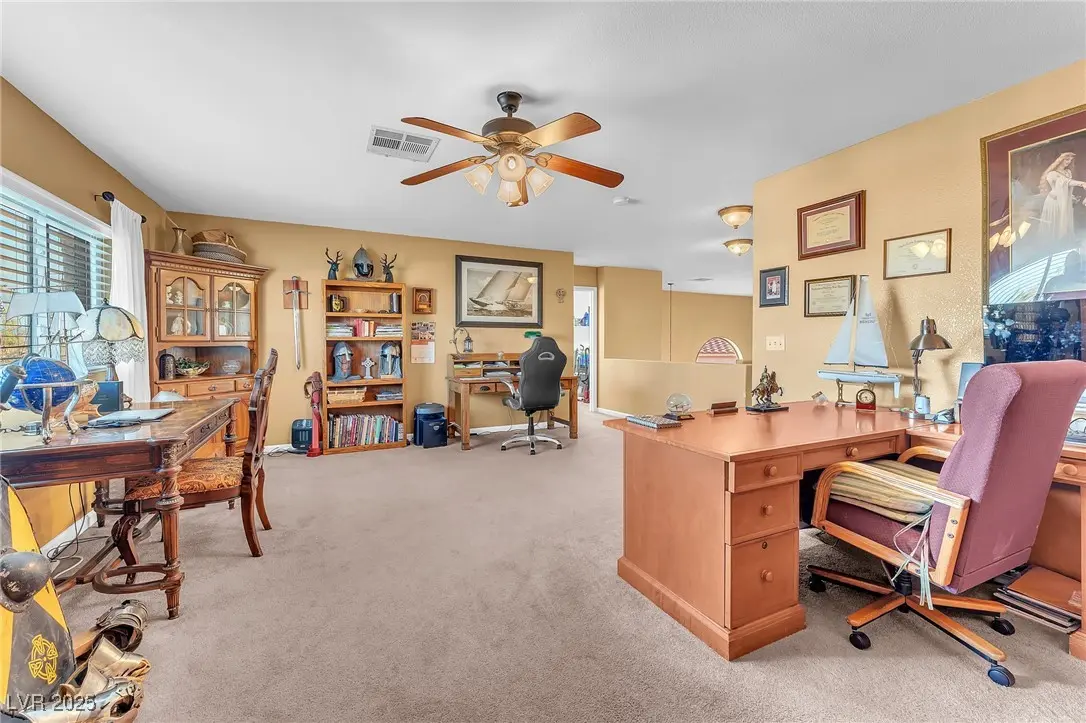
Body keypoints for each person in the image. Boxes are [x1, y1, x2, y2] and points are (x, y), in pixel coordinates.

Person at [1039, 151, 1086, 242]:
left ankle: (1064, 240)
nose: (1068, 162)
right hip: (1054, 202)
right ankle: (1053, 242)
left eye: (1070, 160)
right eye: (1066, 159)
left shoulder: (1068, 172)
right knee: (1055, 222)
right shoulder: (1052, 174)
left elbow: (1067, 187)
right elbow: (1064, 182)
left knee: (1064, 221)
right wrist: (1082, 183)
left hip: (1064, 201)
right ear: (1059, 160)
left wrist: (1071, 197)